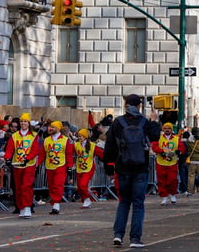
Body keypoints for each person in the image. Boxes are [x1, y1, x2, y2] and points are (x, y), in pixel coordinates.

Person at [103, 94, 161, 248]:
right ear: (139, 106)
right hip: (140, 167)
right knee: (138, 203)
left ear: (126, 105)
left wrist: (109, 166)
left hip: (122, 167)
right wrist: (154, 121)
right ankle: (135, 238)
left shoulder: (118, 122)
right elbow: (155, 137)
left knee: (123, 202)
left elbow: (109, 146)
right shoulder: (144, 122)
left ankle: (118, 235)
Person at [5, 113, 41, 219]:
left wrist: (28, 158)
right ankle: (21, 208)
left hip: (29, 165)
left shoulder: (34, 135)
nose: (23, 123)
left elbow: (35, 150)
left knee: (26, 186)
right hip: (17, 165)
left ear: (29, 123)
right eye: (21, 121)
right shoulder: (15, 136)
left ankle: (27, 207)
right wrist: (7, 158)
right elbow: (10, 149)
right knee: (18, 188)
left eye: (25, 121)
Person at [42, 120, 74, 214]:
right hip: (49, 166)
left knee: (57, 185)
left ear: (58, 128)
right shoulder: (46, 140)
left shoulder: (65, 140)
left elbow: (69, 155)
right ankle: (54, 202)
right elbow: (42, 154)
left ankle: (56, 204)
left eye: (52, 127)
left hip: (61, 166)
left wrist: (69, 167)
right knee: (51, 186)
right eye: (49, 127)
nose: (50, 128)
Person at [151, 122, 184, 206]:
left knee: (172, 180)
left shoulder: (176, 138)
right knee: (161, 181)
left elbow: (182, 147)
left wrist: (178, 151)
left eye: (169, 128)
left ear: (171, 130)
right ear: (163, 129)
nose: (167, 130)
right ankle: (164, 197)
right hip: (161, 162)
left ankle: (172, 195)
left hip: (172, 163)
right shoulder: (159, 138)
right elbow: (154, 146)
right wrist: (161, 151)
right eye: (165, 128)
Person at [74, 128, 103, 208]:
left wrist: (109, 161)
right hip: (79, 168)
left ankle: (87, 199)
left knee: (83, 184)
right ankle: (85, 200)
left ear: (85, 137)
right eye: (78, 136)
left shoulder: (92, 146)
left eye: (81, 136)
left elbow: (101, 154)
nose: (79, 138)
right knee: (79, 187)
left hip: (89, 167)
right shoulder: (76, 145)